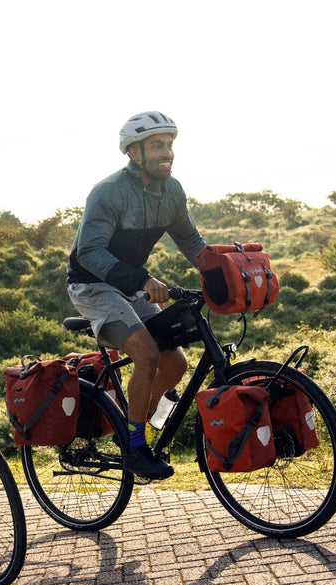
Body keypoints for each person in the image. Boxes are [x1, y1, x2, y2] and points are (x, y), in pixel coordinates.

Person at [67, 111, 207, 480]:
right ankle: (135, 446)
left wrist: (220, 270)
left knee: (175, 364)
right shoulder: (109, 191)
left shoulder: (172, 191)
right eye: (157, 145)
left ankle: (131, 424)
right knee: (146, 354)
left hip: (131, 284)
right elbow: (89, 253)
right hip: (92, 285)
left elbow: (190, 240)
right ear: (134, 153)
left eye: (170, 145)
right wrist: (143, 279)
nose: (168, 152)